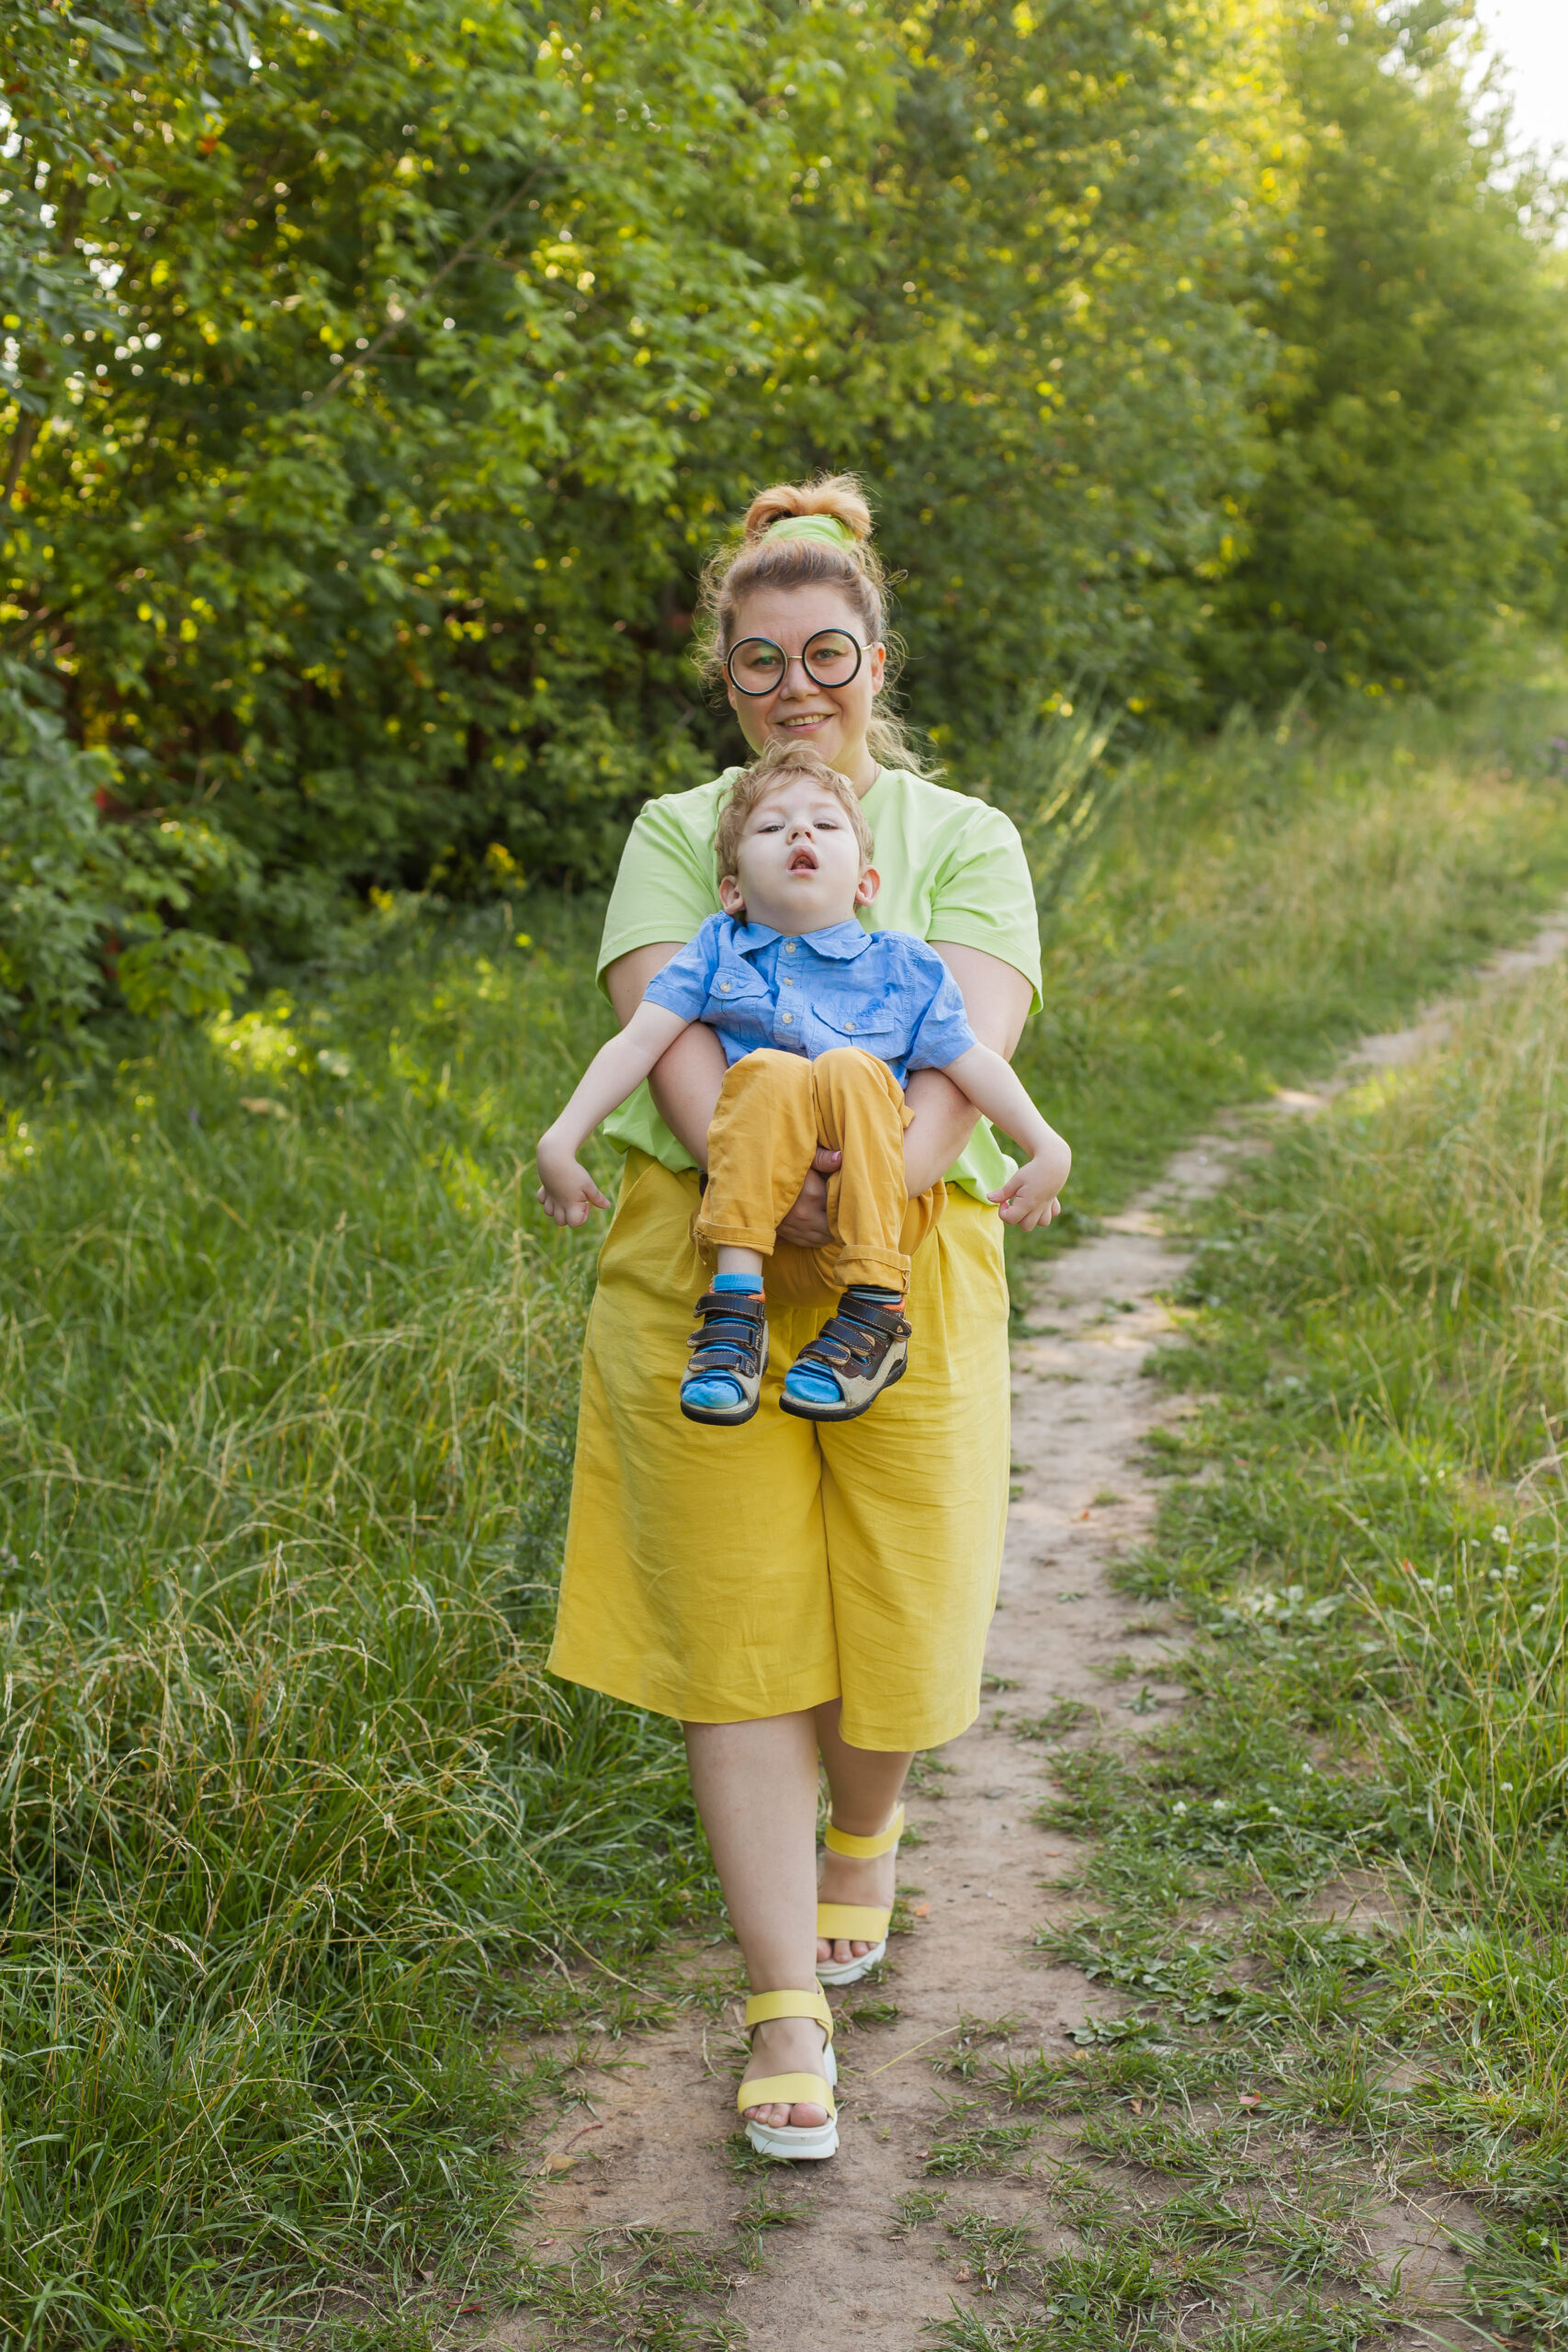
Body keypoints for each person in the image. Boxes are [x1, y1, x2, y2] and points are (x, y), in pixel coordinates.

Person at [546, 472, 1046, 2162]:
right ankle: (781, 2008)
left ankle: (869, 1824)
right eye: (758, 662)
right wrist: (780, 1200)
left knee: (905, 1604)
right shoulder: (680, 834)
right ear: (723, 672)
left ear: (876, 655)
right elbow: (667, 1044)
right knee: (740, 1627)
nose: (794, 688)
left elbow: (967, 1051)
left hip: (908, 1266)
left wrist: (865, 1206)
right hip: (708, 1262)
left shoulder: (964, 839)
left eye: (824, 653)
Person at [535, 741, 1070, 1433]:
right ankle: (734, 1318)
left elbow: (970, 1062)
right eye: (770, 827)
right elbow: (640, 1039)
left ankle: (876, 1311)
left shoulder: (902, 965)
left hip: (876, 1215)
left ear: (865, 884)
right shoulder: (716, 950)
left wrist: (1043, 1144)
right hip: (749, 1221)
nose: (798, 833)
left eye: (824, 824)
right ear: (732, 890)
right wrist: (562, 1136)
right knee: (767, 1070)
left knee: (852, 1068)